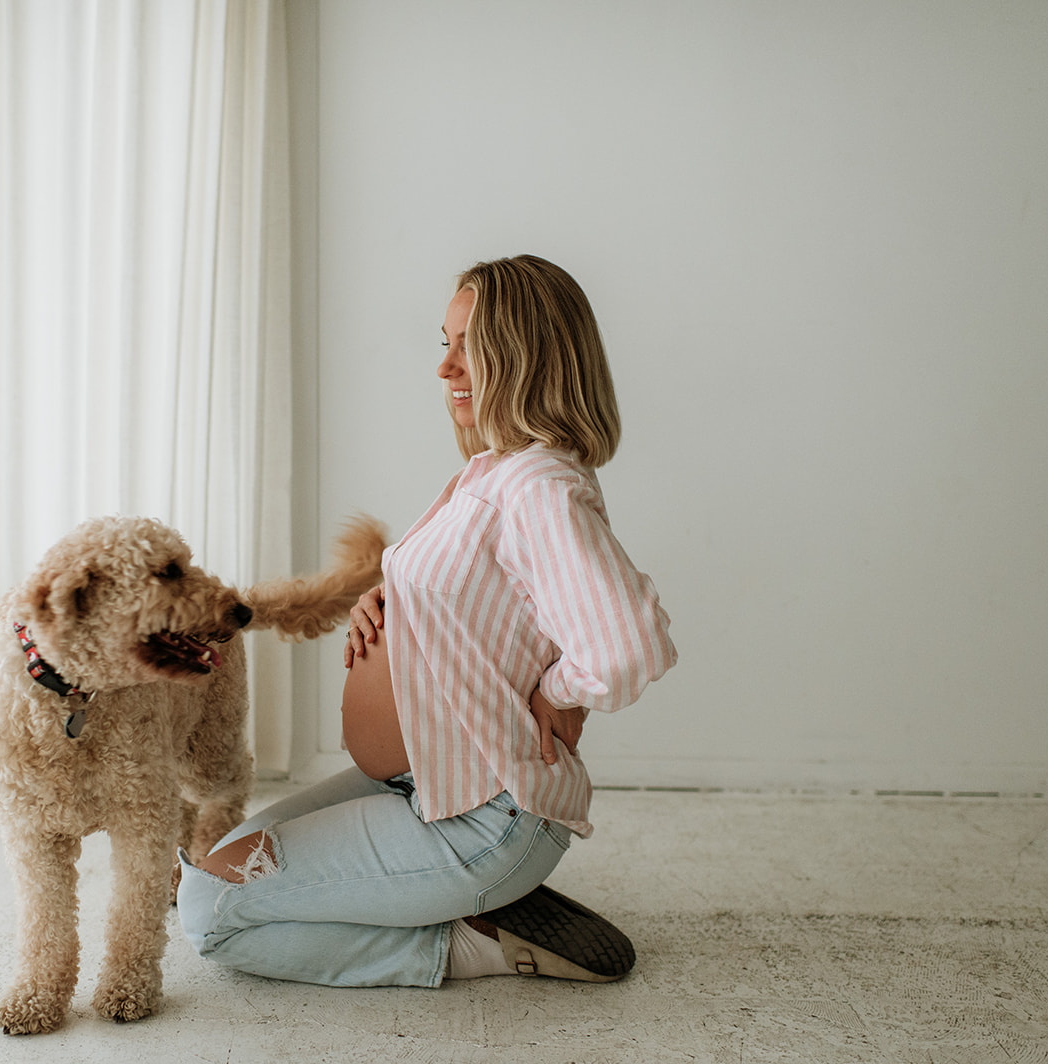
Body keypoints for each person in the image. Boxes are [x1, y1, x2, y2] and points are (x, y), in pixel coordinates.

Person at [176, 254, 677, 987]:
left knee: (210, 912)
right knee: (215, 861)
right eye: (442, 343)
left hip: (480, 821)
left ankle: (470, 941)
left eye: (468, 345)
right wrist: (392, 595)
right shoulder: (495, 472)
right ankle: (447, 900)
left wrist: (561, 691)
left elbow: (629, 645)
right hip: (418, 786)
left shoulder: (540, 486)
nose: (446, 369)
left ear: (530, 354)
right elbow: (482, 597)